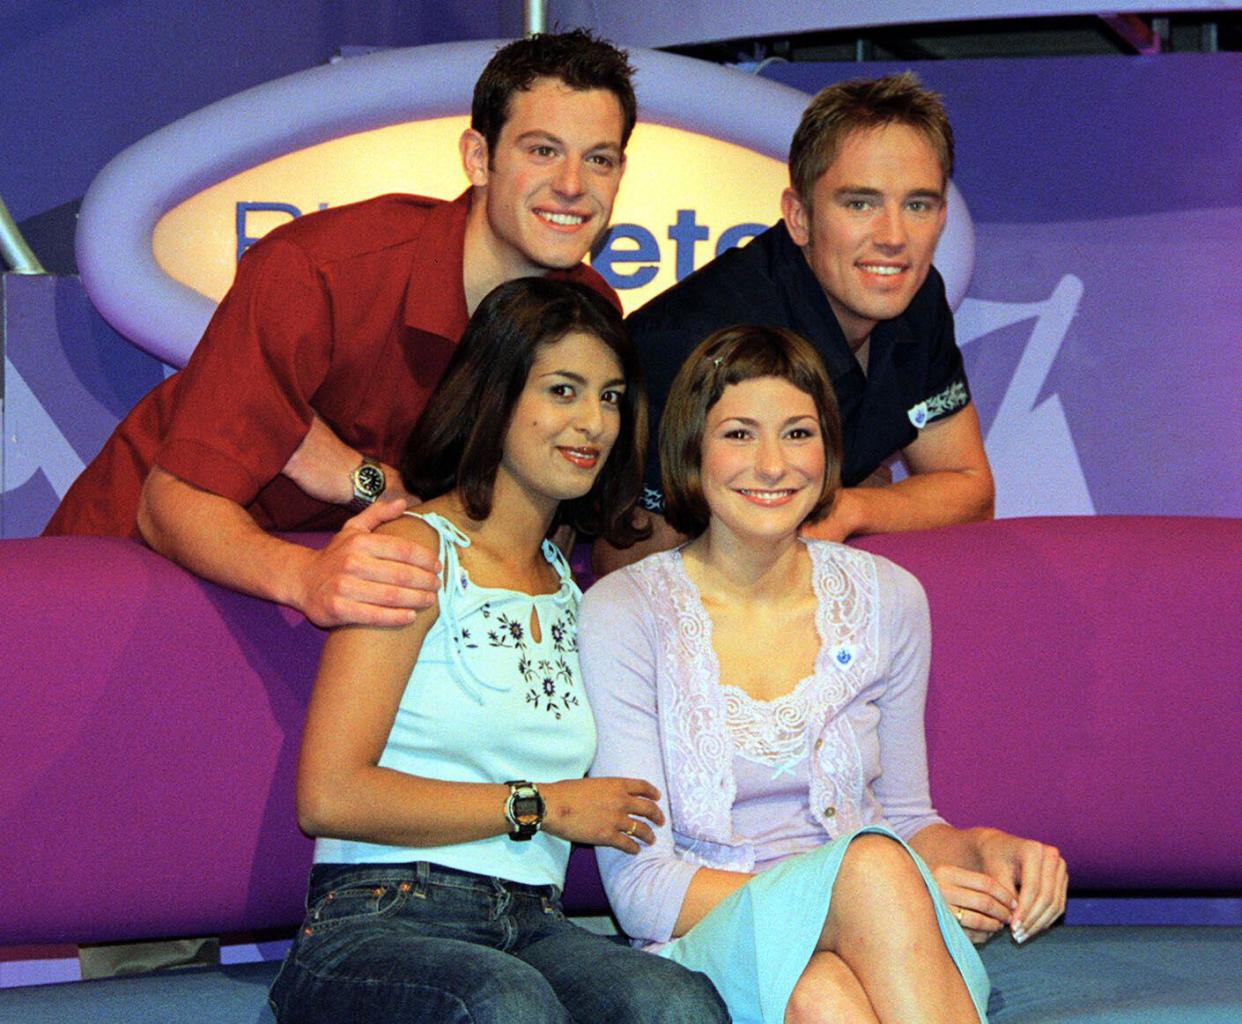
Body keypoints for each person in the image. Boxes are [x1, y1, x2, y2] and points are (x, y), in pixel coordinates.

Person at [45, 30, 635, 629]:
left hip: (358, 609)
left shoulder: (590, 314)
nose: (571, 184)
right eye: (542, 150)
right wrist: (310, 576)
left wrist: (366, 483)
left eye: (598, 159)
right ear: (478, 158)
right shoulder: (321, 272)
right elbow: (171, 505)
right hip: (126, 588)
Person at [268, 278, 729, 1024]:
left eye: (611, 397)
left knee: (672, 1001)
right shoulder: (414, 551)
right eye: (564, 390)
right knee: (505, 1003)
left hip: (531, 923)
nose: (593, 423)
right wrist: (542, 806)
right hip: (379, 918)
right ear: (497, 396)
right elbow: (328, 796)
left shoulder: (574, 593)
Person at [579, 326, 1067, 1024]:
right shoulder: (624, 613)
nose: (772, 465)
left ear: (829, 450)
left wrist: (984, 848)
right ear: (690, 448)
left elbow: (906, 819)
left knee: (825, 993)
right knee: (860, 885)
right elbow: (642, 889)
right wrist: (840, 891)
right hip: (707, 943)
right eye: (740, 434)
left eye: (798, 433)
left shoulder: (889, 598)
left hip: (883, 942)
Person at [598, 73, 993, 573]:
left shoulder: (918, 299)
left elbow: (969, 488)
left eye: (917, 204)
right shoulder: (696, 340)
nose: (894, 237)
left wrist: (849, 507)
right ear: (799, 216)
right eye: (860, 204)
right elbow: (626, 558)